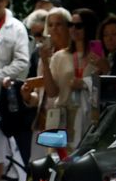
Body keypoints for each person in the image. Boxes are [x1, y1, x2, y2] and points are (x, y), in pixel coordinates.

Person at [27, 10, 96, 145]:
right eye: (71, 25)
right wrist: (45, 63)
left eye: (79, 26)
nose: (74, 29)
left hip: (88, 117)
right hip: (62, 118)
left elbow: (103, 83)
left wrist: (84, 83)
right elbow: (52, 92)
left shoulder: (97, 54)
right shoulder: (59, 56)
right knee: (56, 161)